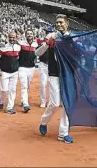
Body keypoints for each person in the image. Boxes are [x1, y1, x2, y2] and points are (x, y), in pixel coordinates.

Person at [36, 14, 73, 144]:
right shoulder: (50, 36)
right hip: (54, 74)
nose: (58, 24)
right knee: (55, 103)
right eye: (57, 22)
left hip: (68, 74)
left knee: (66, 104)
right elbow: (37, 53)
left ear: (67, 24)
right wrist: (47, 43)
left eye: (61, 22)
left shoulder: (72, 37)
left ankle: (63, 134)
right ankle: (44, 121)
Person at [0, 31, 21, 114]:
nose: (12, 39)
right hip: (4, 72)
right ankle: (1, 101)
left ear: (16, 38)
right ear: (8, 37)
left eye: (13, 37)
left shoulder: (18, 47)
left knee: (12, 90)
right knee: (4, 90)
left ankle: (9, 107)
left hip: (15, 72)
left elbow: (18, 57)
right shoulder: (2, 47)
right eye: (10, 37)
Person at [18, 29, 38, 112]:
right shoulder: (20, 43)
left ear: (33, 35)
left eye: (31, 33)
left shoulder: (35, 44)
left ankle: (23, 100)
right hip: (22, 67)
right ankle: (26, 105)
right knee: (24, 86)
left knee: (28, 86)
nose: (29, 35)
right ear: (25, 35)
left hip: (31, 68)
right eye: (28, 34)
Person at [37, 26, 55, 108]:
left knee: (52, 84)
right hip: (43, 64)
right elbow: (39, 49)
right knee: (43, 84)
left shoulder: (55, 42)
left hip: (52, 65)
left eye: (49, 32)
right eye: (47, 32)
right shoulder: (41, 40)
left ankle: (52, 101)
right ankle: (43, 101)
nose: (48, 33)